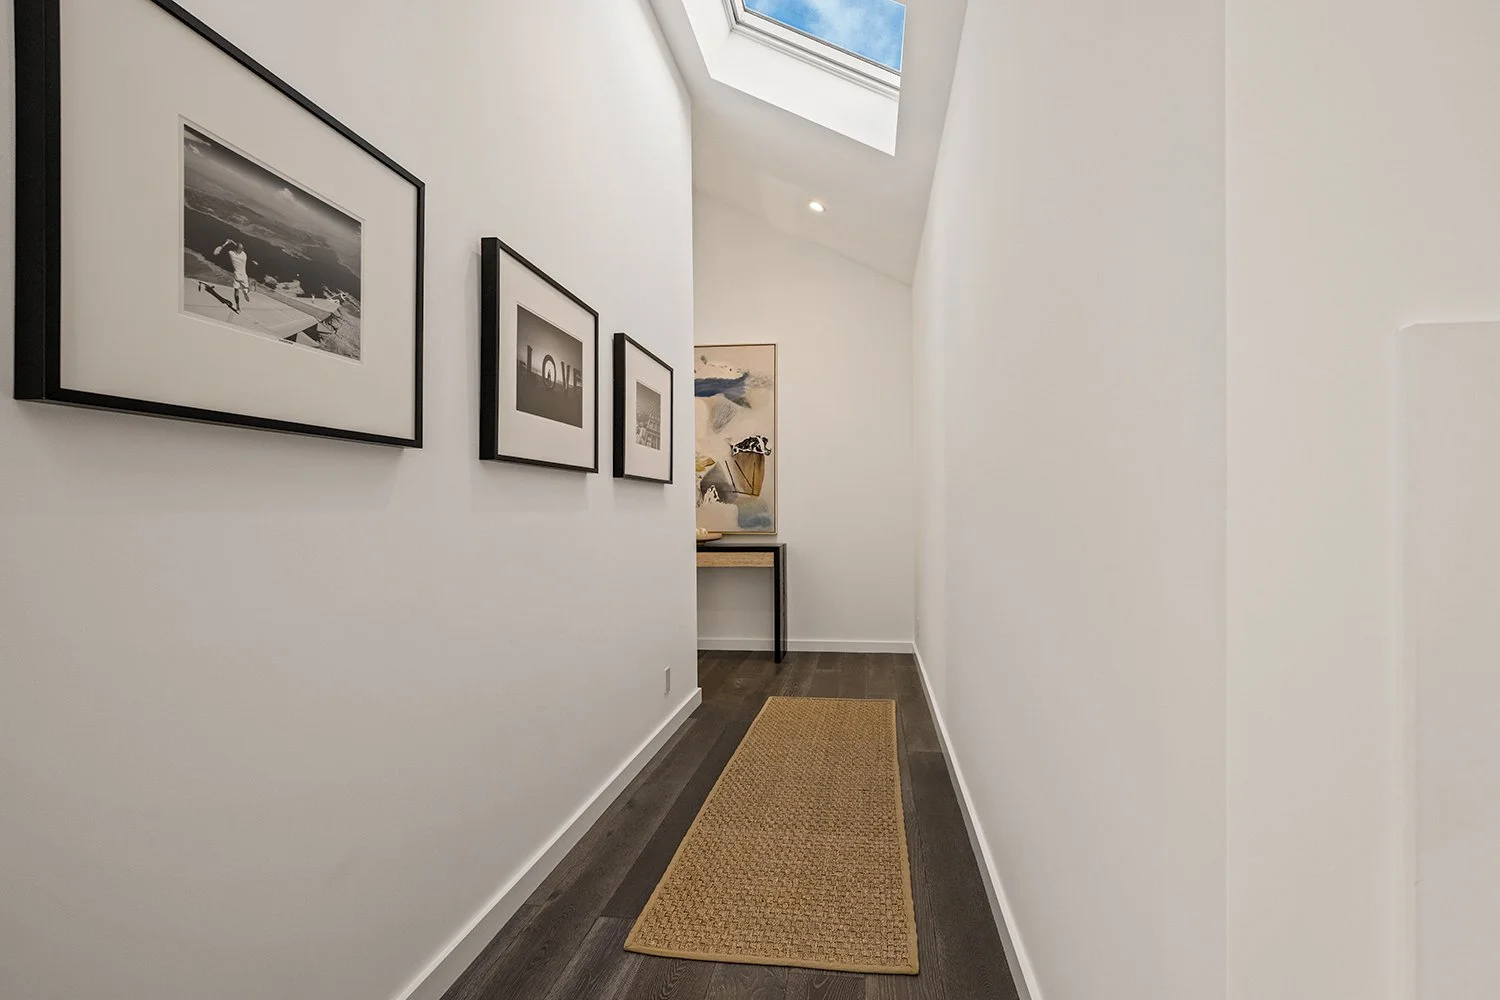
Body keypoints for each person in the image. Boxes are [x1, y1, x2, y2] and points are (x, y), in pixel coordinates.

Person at [212, 239, 255, 313]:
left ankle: (238, 307)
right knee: (246, 289)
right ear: (242, 250)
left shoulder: (231, 253)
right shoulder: (244, 256)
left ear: (235, 249)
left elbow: (232, 247)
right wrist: (233, 242)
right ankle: (245, 292)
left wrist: (226, 242)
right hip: (244, 276)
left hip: (236, 276)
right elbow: (238, 246)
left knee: (236, 291)